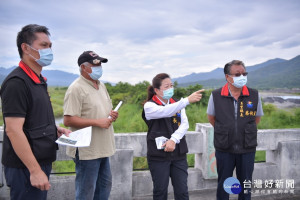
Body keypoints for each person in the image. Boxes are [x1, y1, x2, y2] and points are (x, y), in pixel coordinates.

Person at [0, 24, 71, 200]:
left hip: (40, 160)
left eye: (50, 46)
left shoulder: (38, 80)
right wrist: (34, 170)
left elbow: (33, 119)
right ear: (25, 48)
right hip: (25, 168)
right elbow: (13, 130)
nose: (49, 50)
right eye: (44, 45)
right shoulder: (17, 83)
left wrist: (53, 128)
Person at [63, 51, 118, 200]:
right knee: (86, 192)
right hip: (87, 150)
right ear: (83, 67)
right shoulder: (76, 88)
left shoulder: (101, 86)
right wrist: (97, 122)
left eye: (100, 64)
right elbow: (68, 120)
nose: (99, 67)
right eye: (96, 64)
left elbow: (103, 111)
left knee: (104, 188)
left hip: (103, 147)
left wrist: (111, 115)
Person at [207, 60, 264, 200]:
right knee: (224, 185)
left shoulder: (254, 95)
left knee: (245, 186)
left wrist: (244, 130)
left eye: (244, 73)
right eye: (237, 74)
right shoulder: (216, 95)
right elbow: (211, 118)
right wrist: (226, 131)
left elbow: (256, 118)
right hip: (224, 149)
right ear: (228, 77)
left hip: (247, 148)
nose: (242, 76)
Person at [142, 73, 204, 200]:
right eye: (166, 86)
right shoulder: (149, 106)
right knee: (160, 191)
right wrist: (187, 100)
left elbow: (184, 124)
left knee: (182, 191)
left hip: (178, 154)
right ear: (156, 90)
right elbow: (165, 111)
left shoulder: (177, 103)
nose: (170, 88)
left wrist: (173, 140)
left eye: (171, 85)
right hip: (158, 156)